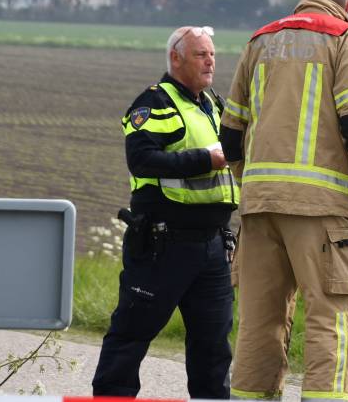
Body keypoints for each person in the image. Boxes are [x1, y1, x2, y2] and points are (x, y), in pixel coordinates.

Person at [220, 0, 348, 402]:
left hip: (259, 206)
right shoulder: (347, 39)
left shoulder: (261, 40)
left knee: (258, 321)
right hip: (322, 210)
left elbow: (231, 131)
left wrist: (252, 183)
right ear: (347, 4)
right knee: (330, 317)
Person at [92, 25, 238, 399]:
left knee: (213, 347)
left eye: (212, 54)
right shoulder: (154, 103)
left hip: (212, 246)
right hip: (164, 244)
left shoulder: (212, 104)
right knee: (131, 336)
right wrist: (206, 159)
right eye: (201, 55)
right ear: (176, 58)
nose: (210, 62)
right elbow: (141, 159)